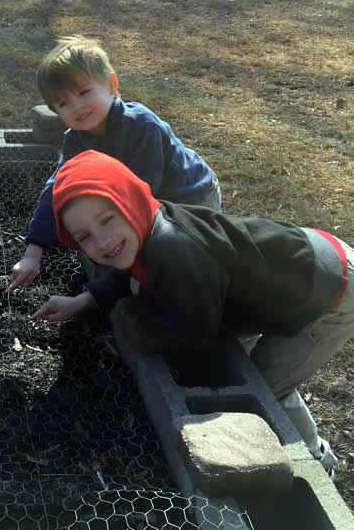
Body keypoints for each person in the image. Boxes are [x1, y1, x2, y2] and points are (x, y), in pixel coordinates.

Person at [31, 149, 352, 474]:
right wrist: (83, 300)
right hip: (301, 263)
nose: (101, 241)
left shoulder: (175, 251)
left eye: (107, 219)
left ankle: (315, 462)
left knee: (266, 392)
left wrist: (131, 320)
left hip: (328, 292)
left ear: (128, 200)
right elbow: (128, 273)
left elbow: (194, 334)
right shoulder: (143, 229)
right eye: (84, 236)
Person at [9, 36, 221, 292]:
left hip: (191, 196)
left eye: (84, 92)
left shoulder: (141, 126)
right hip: (150, 201)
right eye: (63, 103)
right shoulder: (75, 141)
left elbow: (143, 200)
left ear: (111, 85)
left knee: (175, 258)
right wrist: (34, 251)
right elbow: (56, 191)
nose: (77, 107)